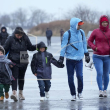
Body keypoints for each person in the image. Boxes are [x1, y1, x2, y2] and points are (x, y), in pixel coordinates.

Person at [58, 18, 90, 101]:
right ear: (74, 25)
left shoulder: (82, 33)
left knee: (80, 76)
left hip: (79, 59)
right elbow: (63, 46)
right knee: (70, 78)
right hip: (70, 60)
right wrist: (61, 57)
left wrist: (86, 54)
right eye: (79, 25)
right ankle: (73, 94)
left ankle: (80, 92)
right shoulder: (67, 34)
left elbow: (84, 44)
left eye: (80, 24)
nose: (80, 26)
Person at [3, 27, 37, 101]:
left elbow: (30, 47)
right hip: (13, 59)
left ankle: (21, 93)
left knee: (22, 77)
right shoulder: (10, 38)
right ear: (15, 34)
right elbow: (5, 49)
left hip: (23, 57)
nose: (19, 37)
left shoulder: (25, 37)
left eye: (20, 35)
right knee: (14, 76)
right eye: (18, 35)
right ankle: (14, 93)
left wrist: (37, 46)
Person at [88, 15, 110, 98]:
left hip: (107, 57)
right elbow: (89, 41)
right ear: (100, 23)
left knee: (106, 74)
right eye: (103, 22)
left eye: (106, 22)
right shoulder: (96, 31)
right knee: (100, 73)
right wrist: (94, 47)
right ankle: (100, 90)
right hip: (97, 56)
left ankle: (105, 90)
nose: (105, 23)